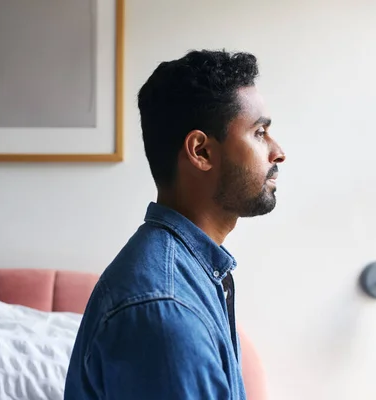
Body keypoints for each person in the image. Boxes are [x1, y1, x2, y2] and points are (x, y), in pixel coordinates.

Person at [63, 49, 286, 400]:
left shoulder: (193, 274)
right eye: (260, 133)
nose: (278, 152)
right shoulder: (165, 312)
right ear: (201, 151)